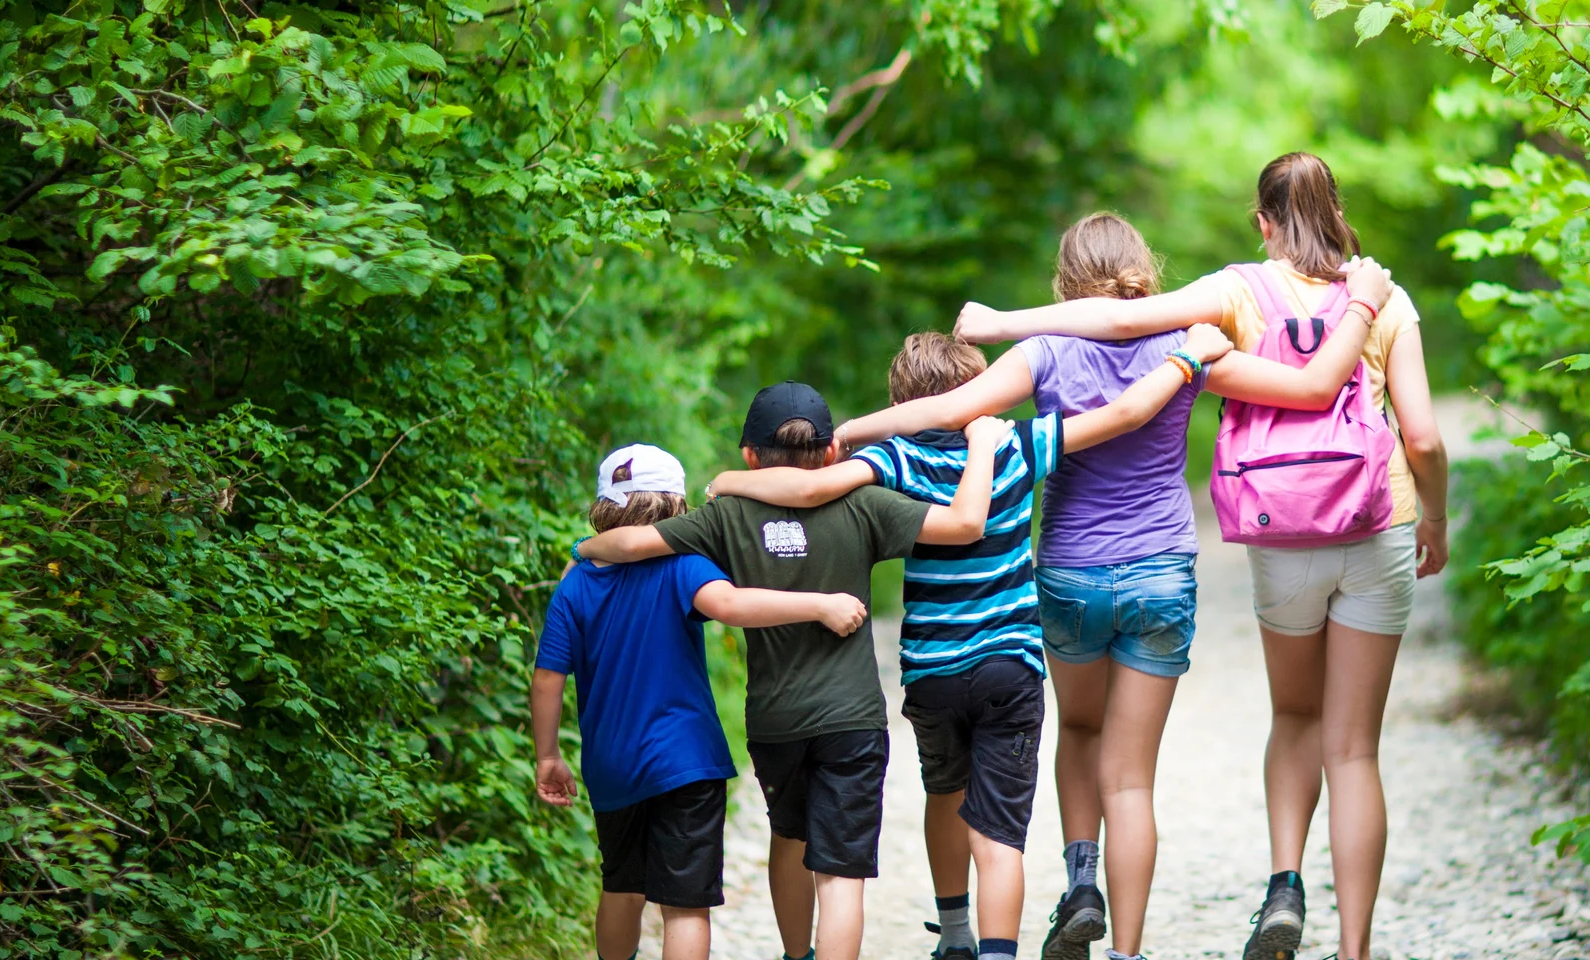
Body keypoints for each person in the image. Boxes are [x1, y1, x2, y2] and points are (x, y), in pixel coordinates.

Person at [840, 212, 1393, 960]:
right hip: (1162, 571)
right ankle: (1127, 950)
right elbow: (1304, 389)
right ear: (1145, 271)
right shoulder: (1187, 346)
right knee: (1132, 780)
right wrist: (1358, 306)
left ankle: (1080, 885)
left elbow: (946, 410)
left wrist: (848, 434)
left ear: (1065, 283)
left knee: (1081, 732)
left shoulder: (1043, 351)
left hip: (1069, 571)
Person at [955, 153, 1449, 960]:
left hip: (1275, 529)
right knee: (1354, 748)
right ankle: (1353, 947)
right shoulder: (1382, 297)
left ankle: (1278, 885)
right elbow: (1422, 435)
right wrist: (1436, 515)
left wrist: (1007, 323)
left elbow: (1114, 327)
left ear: (1263, 221)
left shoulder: (1234, 294)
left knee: (1289, 716)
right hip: (1375, 520)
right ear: (1338, 211)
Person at [706, 327, 1233, 960]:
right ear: (981, 389)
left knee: (944, 794)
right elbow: (1122, 415)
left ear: (905, 398)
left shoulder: (894, 459)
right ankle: (998, 952)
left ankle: (954, 936)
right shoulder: (1014, 442)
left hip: (933, 668)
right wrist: (1182, 358)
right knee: (1000, 829)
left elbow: (811, 489)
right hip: (1010, 663)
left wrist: (731, 483)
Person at [574, 382, 1004, 960]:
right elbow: (963, 524)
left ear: (749, 455)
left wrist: (585, 549)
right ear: (831, 453)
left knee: (788, 835)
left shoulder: (725, 517)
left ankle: (795, 954)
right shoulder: (866, 504)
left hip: (775, 721)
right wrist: (982, 444)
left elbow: (624, 546)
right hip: (851, 717)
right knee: (841, 874)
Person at [530, 443, 871, 960]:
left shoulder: (575, 584)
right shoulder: (683, 566)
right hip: (686, 763)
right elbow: (732, 605)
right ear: (676, 503)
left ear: (604, 506)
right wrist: (819, 604)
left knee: (620, 887)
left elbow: (547, 679)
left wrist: (548, 756)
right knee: (685, 905)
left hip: (612, 767)